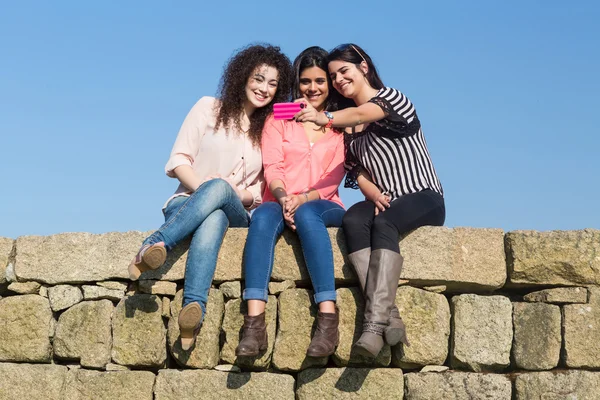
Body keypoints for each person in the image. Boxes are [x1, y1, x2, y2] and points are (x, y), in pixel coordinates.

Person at [128, 44, 292, 351]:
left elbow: (308, 111)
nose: (264, 89)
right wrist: (207, 190)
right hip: (186, 202)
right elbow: (178, 161)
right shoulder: (208, 107)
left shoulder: (271, 122)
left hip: (238, 209)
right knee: (212, 212)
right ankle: (194, 311)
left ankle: (155, 243)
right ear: (242, 76)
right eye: (258, 78)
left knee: (220, 196)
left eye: (273, 84)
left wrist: (230, 192)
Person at [295, 43, 445, 358]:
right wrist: (372, 191)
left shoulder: (392, 98)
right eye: (333, 76)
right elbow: (358, 170)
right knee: (352, 220)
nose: (337, 80)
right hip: (385, 199)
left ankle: (374, 326)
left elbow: (364, 111)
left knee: (384, 221)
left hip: (423, 196)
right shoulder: (350, 128)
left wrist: (324, 117)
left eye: (343, 71)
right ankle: (390, 316)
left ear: (363, 66)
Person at [236, 47, 348, 358]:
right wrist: (286, 197)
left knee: (310, 213)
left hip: (323, 201)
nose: (313, 88)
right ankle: (254, 325)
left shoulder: (338, 122)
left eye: (320, 81)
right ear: (296, 83)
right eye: (305, 81)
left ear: (330, 84)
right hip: (279, 197)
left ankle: (328, 320)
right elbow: (273, 165)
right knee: (261, 218)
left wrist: (301, 199)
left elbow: (333, 177)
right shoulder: (281, 117)